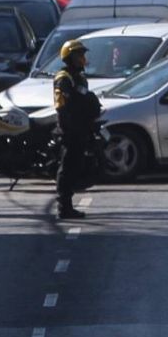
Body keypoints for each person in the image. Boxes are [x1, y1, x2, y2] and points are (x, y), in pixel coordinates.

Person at [54, 39, 102, 220]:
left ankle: (68, 205)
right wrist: (69, 125)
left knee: (77, 166)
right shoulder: (63, 78)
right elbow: (65, 104)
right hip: (70, 129)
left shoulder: (80, 77)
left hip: (82, 127)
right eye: (78, 55)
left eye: (83, 54)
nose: (82, 58)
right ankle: (63, 206)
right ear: (69, 57)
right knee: (67, 168)